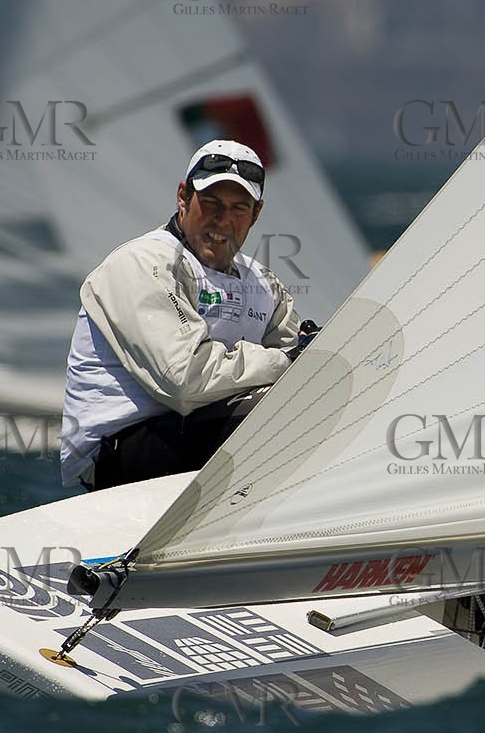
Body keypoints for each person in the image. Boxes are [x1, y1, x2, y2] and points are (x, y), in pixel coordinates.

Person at [59, 139, 317, 491]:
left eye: (238, 208)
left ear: (256, 213)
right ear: (183, 197)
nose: (222, 221)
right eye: (210, 203)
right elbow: (184, 381)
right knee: (278, 407)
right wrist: (286, 361)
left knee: (313, 398)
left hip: (202, 434)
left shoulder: (265, 284)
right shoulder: (142, 264)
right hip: (113, 460)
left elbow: (299, 372)